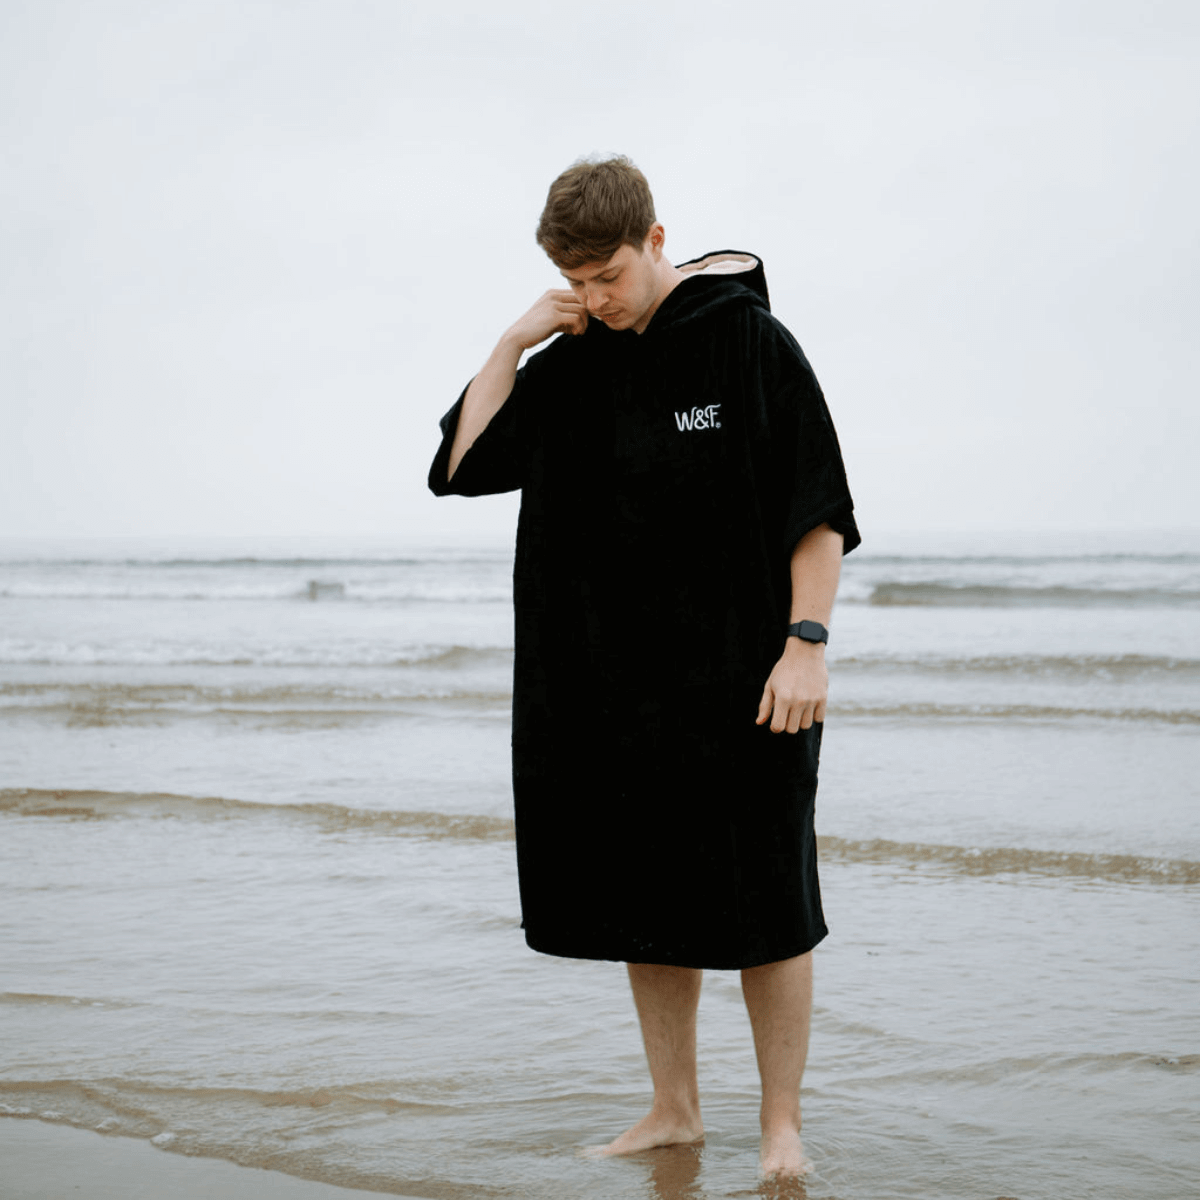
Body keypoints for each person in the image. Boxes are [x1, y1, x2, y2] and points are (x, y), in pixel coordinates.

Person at [428, 155, 859, 1180]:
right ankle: (674, 1112)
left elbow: (820, 510)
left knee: (769, 905)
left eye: (609, 274)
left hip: (747, 684)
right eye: (575, 280)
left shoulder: (750, 346)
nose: (596, 297)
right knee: (649, 902)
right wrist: (514, 339)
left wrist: (807, 645)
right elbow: (459, 466)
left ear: (657, 242)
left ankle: (781, 1127)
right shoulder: (572, 364)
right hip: (609, 692)